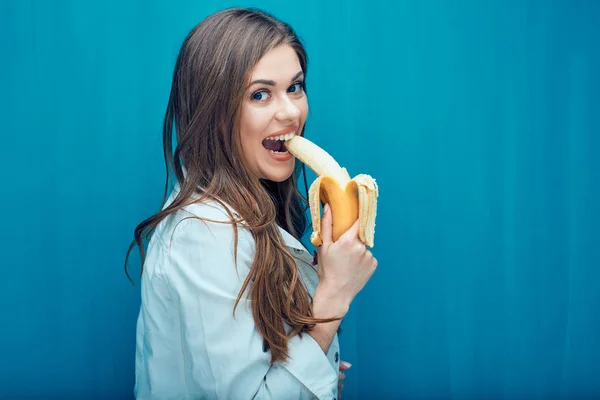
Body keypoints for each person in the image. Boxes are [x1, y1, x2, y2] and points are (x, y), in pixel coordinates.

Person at [125, 7, 378, 400]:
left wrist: (318, 363)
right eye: (260, 94)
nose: (291, 111)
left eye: (295, 87)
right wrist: (334, 295)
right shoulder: (204, 235)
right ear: (215, 112)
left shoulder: (250, 209)